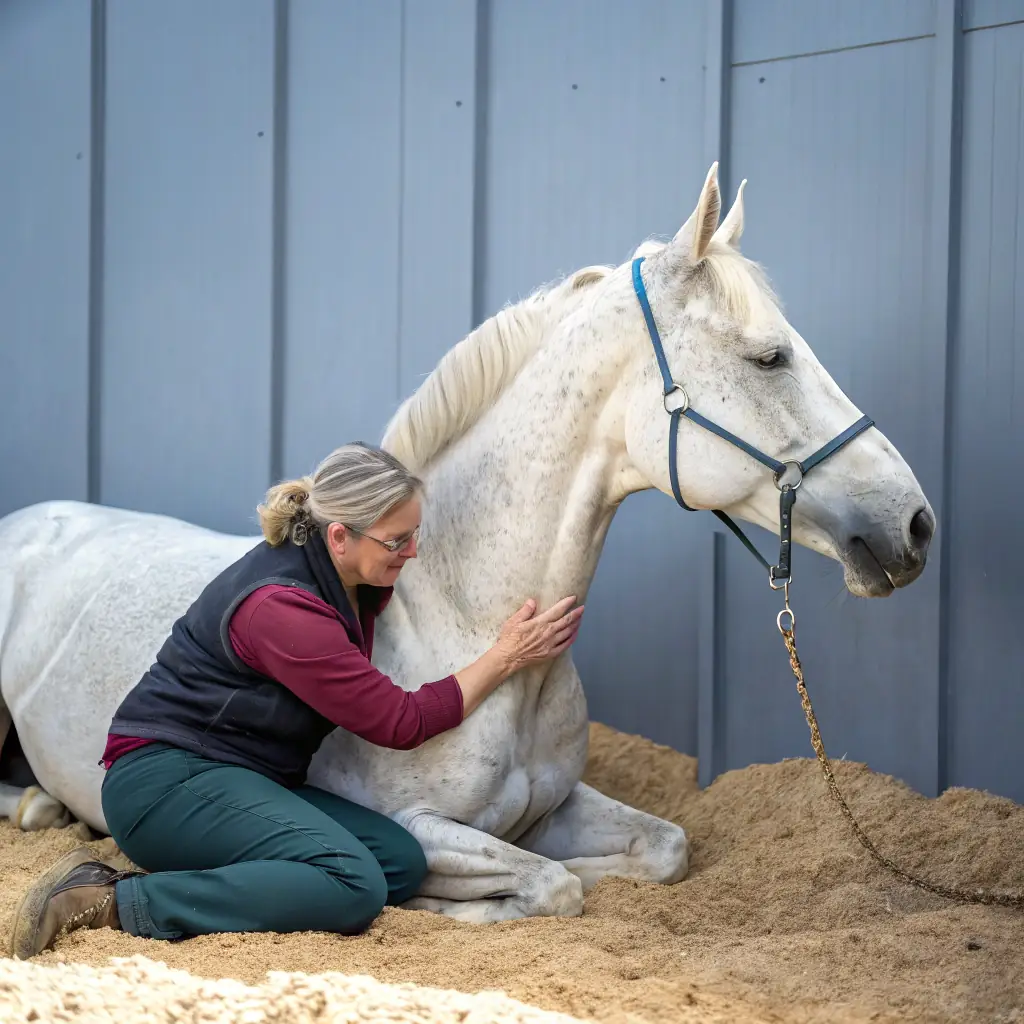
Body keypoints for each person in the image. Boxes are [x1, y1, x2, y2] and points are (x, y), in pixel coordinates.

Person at [9, 442, 584, 959]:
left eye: (415, 534)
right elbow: (398, 721)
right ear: (340, 536)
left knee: (401, 862)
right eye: (396, 540)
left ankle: (254, 881)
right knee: (355, 884)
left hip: (241, 776)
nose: (411, 553)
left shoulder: (335, 575)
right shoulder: (282, 609)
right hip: (165, 785)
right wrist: (505, 656)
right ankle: (116, 900)